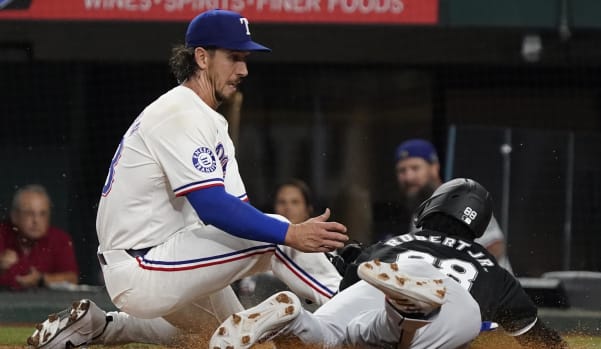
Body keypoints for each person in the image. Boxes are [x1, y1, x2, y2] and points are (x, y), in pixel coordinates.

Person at [27, 9, 347, 348]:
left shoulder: (210, 123)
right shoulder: (179, 113)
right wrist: (292, 234)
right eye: (234, 57)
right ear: (202, 57)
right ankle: (352, 316)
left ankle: (101, 326)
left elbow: (238, 214)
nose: (244, 69)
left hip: (168, 264)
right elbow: (213, 207)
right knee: (281, 233)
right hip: (143, 264)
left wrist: (297, 247)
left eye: (245, 59)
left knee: (229, 339)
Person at [210, 178, 568, 349]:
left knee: (334, 337)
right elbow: (538, 339)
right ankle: (409, 311)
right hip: (453, 298)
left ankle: (294, 318)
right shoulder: (492, 269)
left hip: (381, 281)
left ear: (432, 207)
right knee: (406, 338)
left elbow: (348, 288)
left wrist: (355, 264)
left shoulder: (394, 243)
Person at [377, 138, 512, 272]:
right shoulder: (419, 212)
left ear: (434, 167)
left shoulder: (461, 198)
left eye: (415, 168)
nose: (408, 177)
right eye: (402, 171)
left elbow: (495, 246)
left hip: (491, 290)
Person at [237, 178, 315, 297]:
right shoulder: (259, 243)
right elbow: (247, 291)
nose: (288, 208)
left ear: (307, 210)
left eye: (295, 202)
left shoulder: (321, 245)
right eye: (282, 202)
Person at [0, 184, 78, 291]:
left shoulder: (60, 239)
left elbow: (72, 279)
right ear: (14, 215)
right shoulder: (2, 234)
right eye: (29, 213)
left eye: (42, 214)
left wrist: (41, 279)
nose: (36, 220)